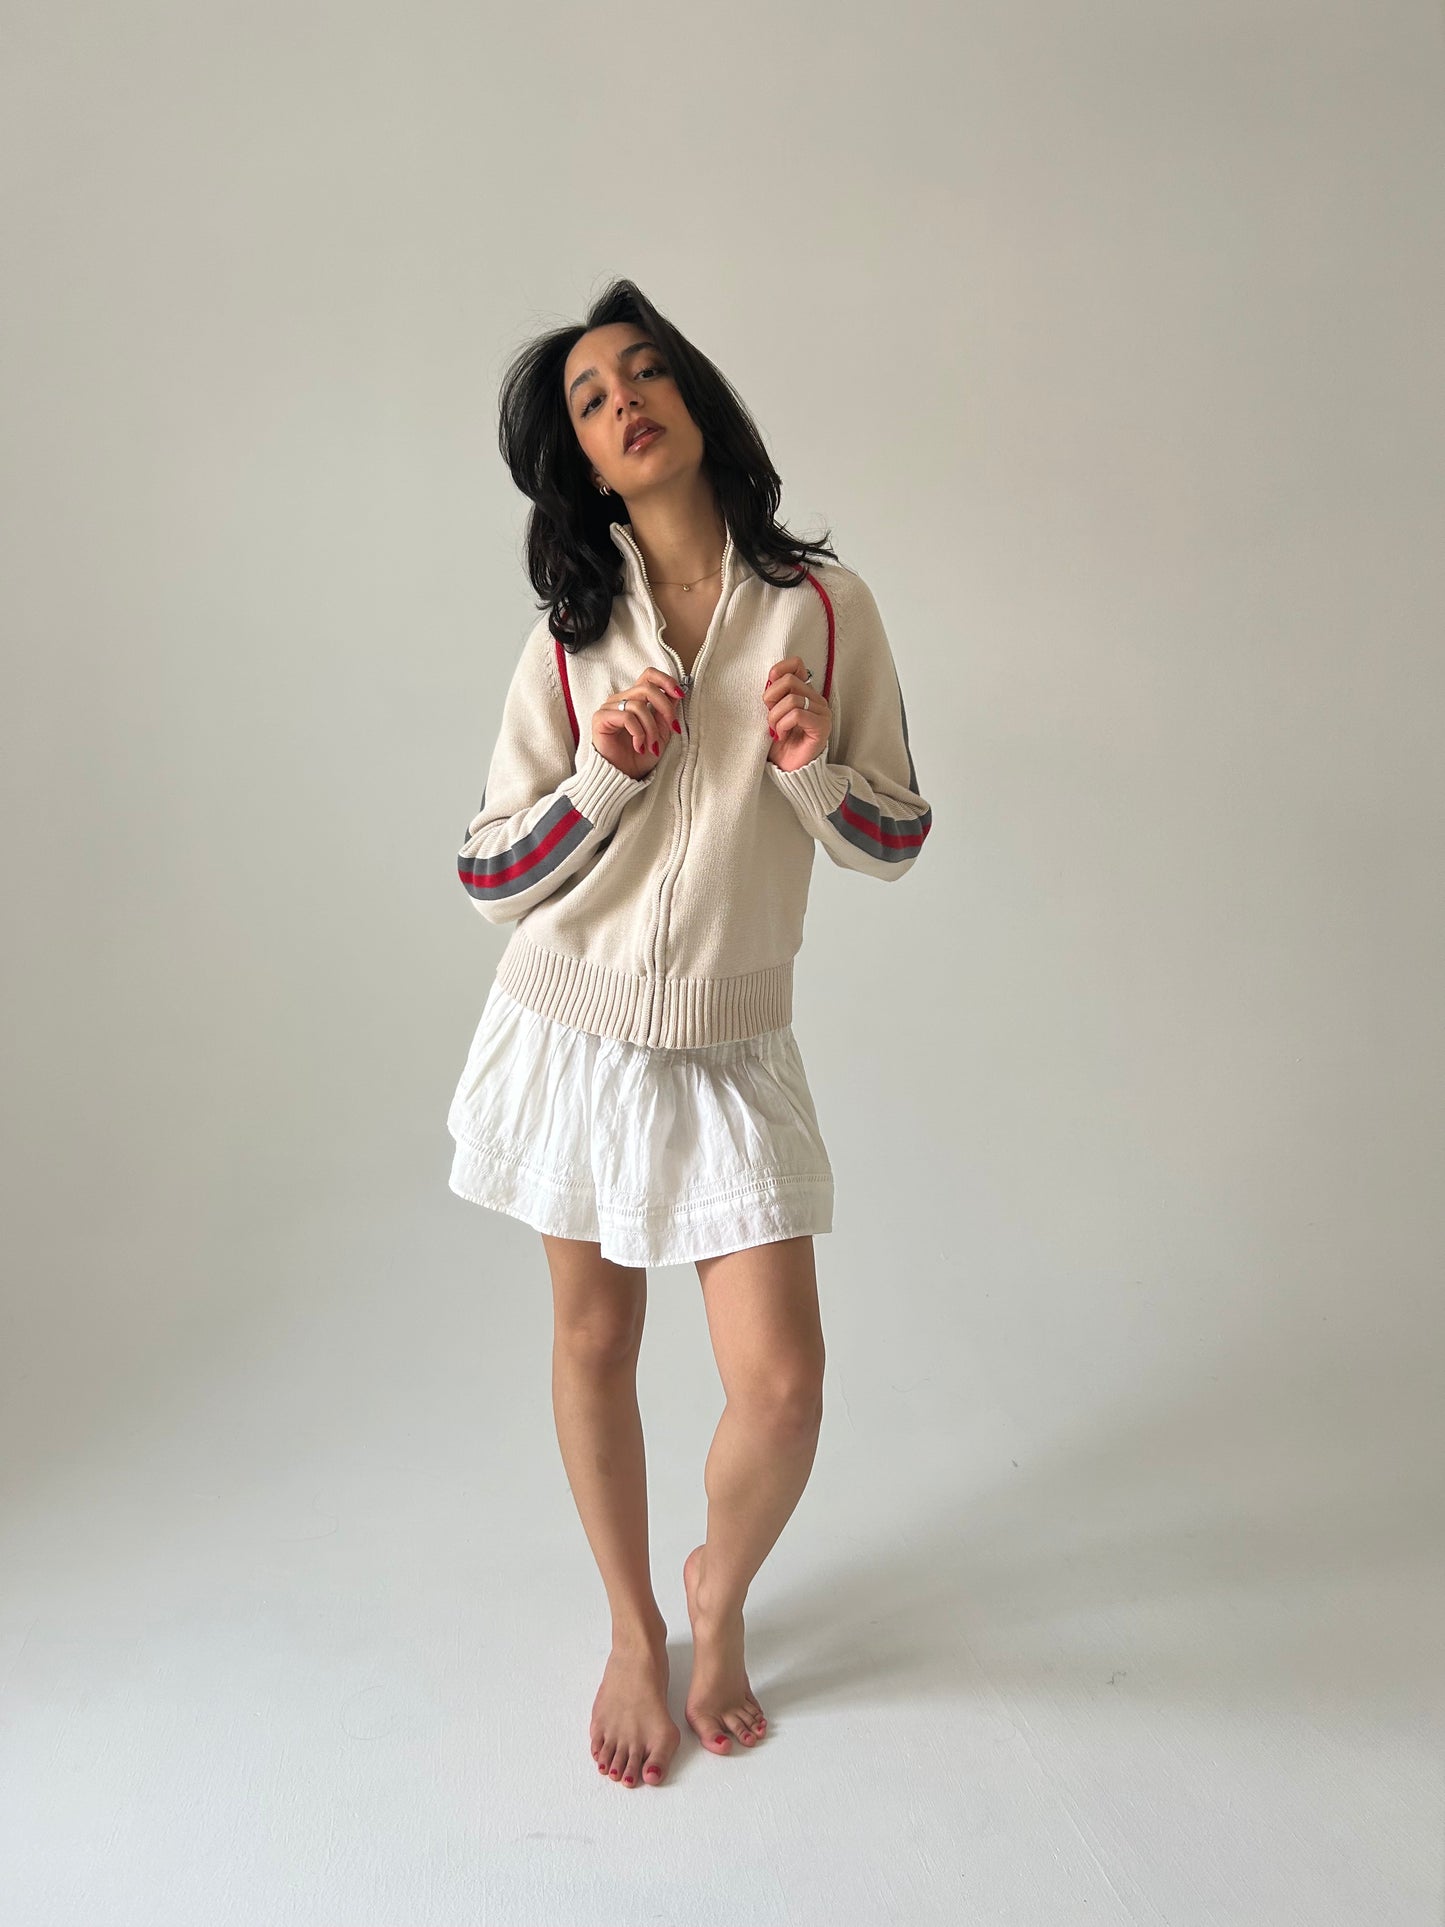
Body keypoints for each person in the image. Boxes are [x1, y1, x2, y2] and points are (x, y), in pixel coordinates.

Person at [445, 278, 933, 1789]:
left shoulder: (825, 609)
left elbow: (897, 836)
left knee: (780, 1387)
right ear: (585, 464)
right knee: (595, 1341)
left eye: (645, 374)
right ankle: (631, 1626)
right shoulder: (570, 639)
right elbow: (488, 874)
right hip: (571, 1030)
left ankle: (718, 1593)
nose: (624, 403)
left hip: (731, 1041)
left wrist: (809, 766)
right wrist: (600, 776)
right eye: (591, 400)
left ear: (695, 403)